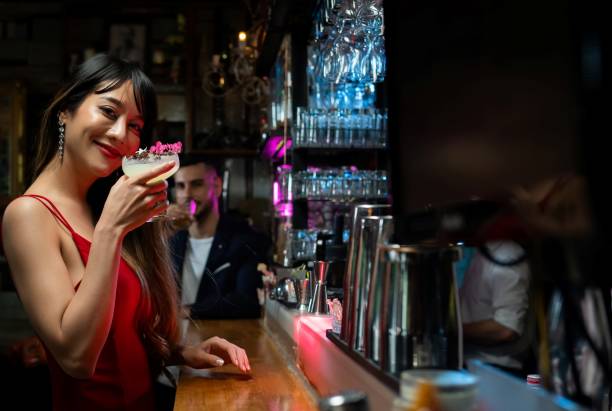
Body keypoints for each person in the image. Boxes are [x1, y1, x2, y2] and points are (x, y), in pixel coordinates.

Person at [1, 54, 250, 411]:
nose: (121, 134)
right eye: (108, 111)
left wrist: (182, 353)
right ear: (65, 111)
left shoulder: (102, 206)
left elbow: (123, 335)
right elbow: (77, 359)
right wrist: (110, 230)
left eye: (135, 126)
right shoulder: (29, 214)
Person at [166, 154, 270, 319]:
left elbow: (246, 300)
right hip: (174, 337)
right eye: (180, 186)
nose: (187, 194)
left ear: (217, 187)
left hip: (222, 337)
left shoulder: (245, 239)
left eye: (196, 184)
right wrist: (160, 232)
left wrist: (188, 312)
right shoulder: (170, 239)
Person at [459, 240, 531, 376]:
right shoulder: (482, 252)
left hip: (495, 370)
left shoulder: (507, 256)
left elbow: (506, 329)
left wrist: (452, 330)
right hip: (472, 364)